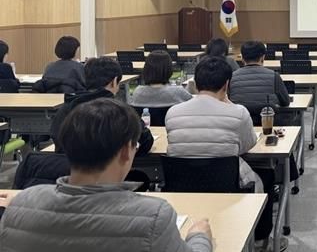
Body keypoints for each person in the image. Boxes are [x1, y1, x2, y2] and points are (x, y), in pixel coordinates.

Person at [0, 98, 212, 252]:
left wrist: (21, 204)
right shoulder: (154, 216)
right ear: (125, 152)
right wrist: (199, 236)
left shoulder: (20, 205)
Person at [165, 56, 283, 251]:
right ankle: (261, 239)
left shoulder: (173, 112)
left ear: (196, 83)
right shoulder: (238, 112)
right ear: (227, 84)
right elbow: (247, 146)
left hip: (181, 185)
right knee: (267, 174)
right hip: (227, 184)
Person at [50, 57, 153, 156]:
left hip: (70, 166)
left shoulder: (65, 108)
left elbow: (58, 145)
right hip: (108, 166)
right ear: (114, 81)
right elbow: (146, 140)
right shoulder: (120, 111)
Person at [230, 41, 292, 125]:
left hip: (239, 126)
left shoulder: (231, 77)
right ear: (263, 57)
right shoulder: (274, 76)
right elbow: (285, 102)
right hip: (268, 126)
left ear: (242, 58)